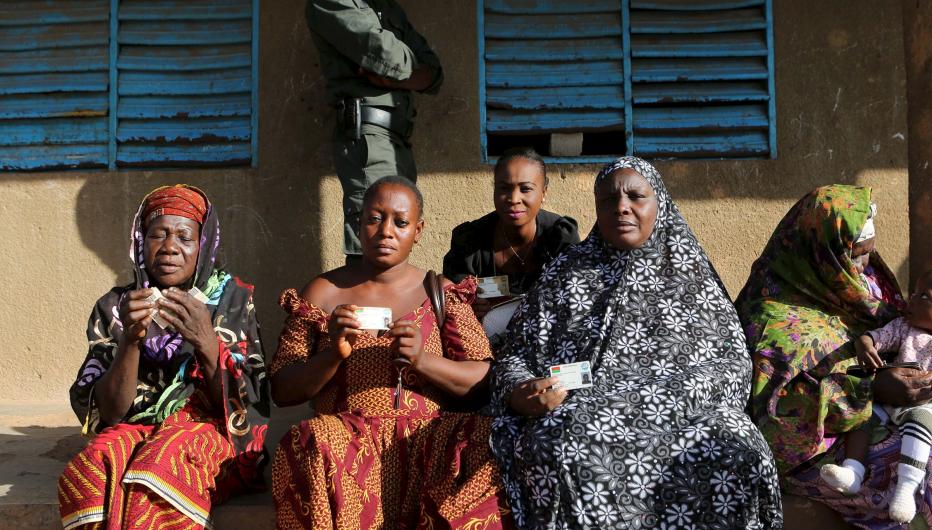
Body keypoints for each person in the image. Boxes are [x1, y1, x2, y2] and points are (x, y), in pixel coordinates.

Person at [490, 157, 783, 529]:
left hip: (684, 415)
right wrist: (522, 391)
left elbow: (732, 368)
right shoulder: (565, 274)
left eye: (635, 196)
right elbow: (515, 355)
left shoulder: (691, 276)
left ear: (659, 203)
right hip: (582, 412)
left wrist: (649, 403)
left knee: (738, 447)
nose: (621, 207)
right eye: (608, 199)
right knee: (562, 442)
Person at [737, 185, 932, 528]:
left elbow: (925, 338)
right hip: (828, 446)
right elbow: (775, 415)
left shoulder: (866, 283)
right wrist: (872, 388)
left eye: (869, 253)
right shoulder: (772, 318)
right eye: (855, 255)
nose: (864, 266)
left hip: (907, 416)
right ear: (823, 252)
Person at [269, 176, 510, 529]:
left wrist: (423, 360)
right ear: (358, 224)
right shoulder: (323, 292)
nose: (386, 232)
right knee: (310, 439)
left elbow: (484, 381)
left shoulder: (440, 292)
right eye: (374, 219)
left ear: (418, 230)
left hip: (427, 443)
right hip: (346, 445)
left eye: (400, 222)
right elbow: (282, 389)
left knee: (487, 437)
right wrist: (332, 355)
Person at [59, 185, 269, 530]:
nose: (170, 247)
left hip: (208, 430)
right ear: (141, 243)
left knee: (160, 471)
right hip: (133, 428)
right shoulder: (117, 307)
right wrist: (131, 341)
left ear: (204, 245)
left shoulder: (231, 301)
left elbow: (246, 406)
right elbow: (110, 413)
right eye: (158, 235)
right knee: (89, 473)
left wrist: (206, 341)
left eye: (184, 237)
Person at [821, 264, 932, 522]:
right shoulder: (905, 328)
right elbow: (877, 337)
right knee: (862, 411)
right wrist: (864, 344)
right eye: (913, 292)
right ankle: (853, 472)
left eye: (923, 296)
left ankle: (906, 489)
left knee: (920, 418)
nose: (910, 300)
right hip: (897, 404)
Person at [307, 0, 444, 261]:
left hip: (397, 140)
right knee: (373, 251)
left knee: (395, 252)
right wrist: (409, 73)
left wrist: (403, 76)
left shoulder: (382, 0)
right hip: (369, 140)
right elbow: (387, 57)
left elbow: (434, 73)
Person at [443, 147, 580, 318]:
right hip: (483, 332)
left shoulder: (559, 237)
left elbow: (576, 298)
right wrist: (469, 306)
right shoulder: (471, 240)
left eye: (525, 189)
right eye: (504, 188)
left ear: (543, 193)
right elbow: (451, 299)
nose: (514, 199)